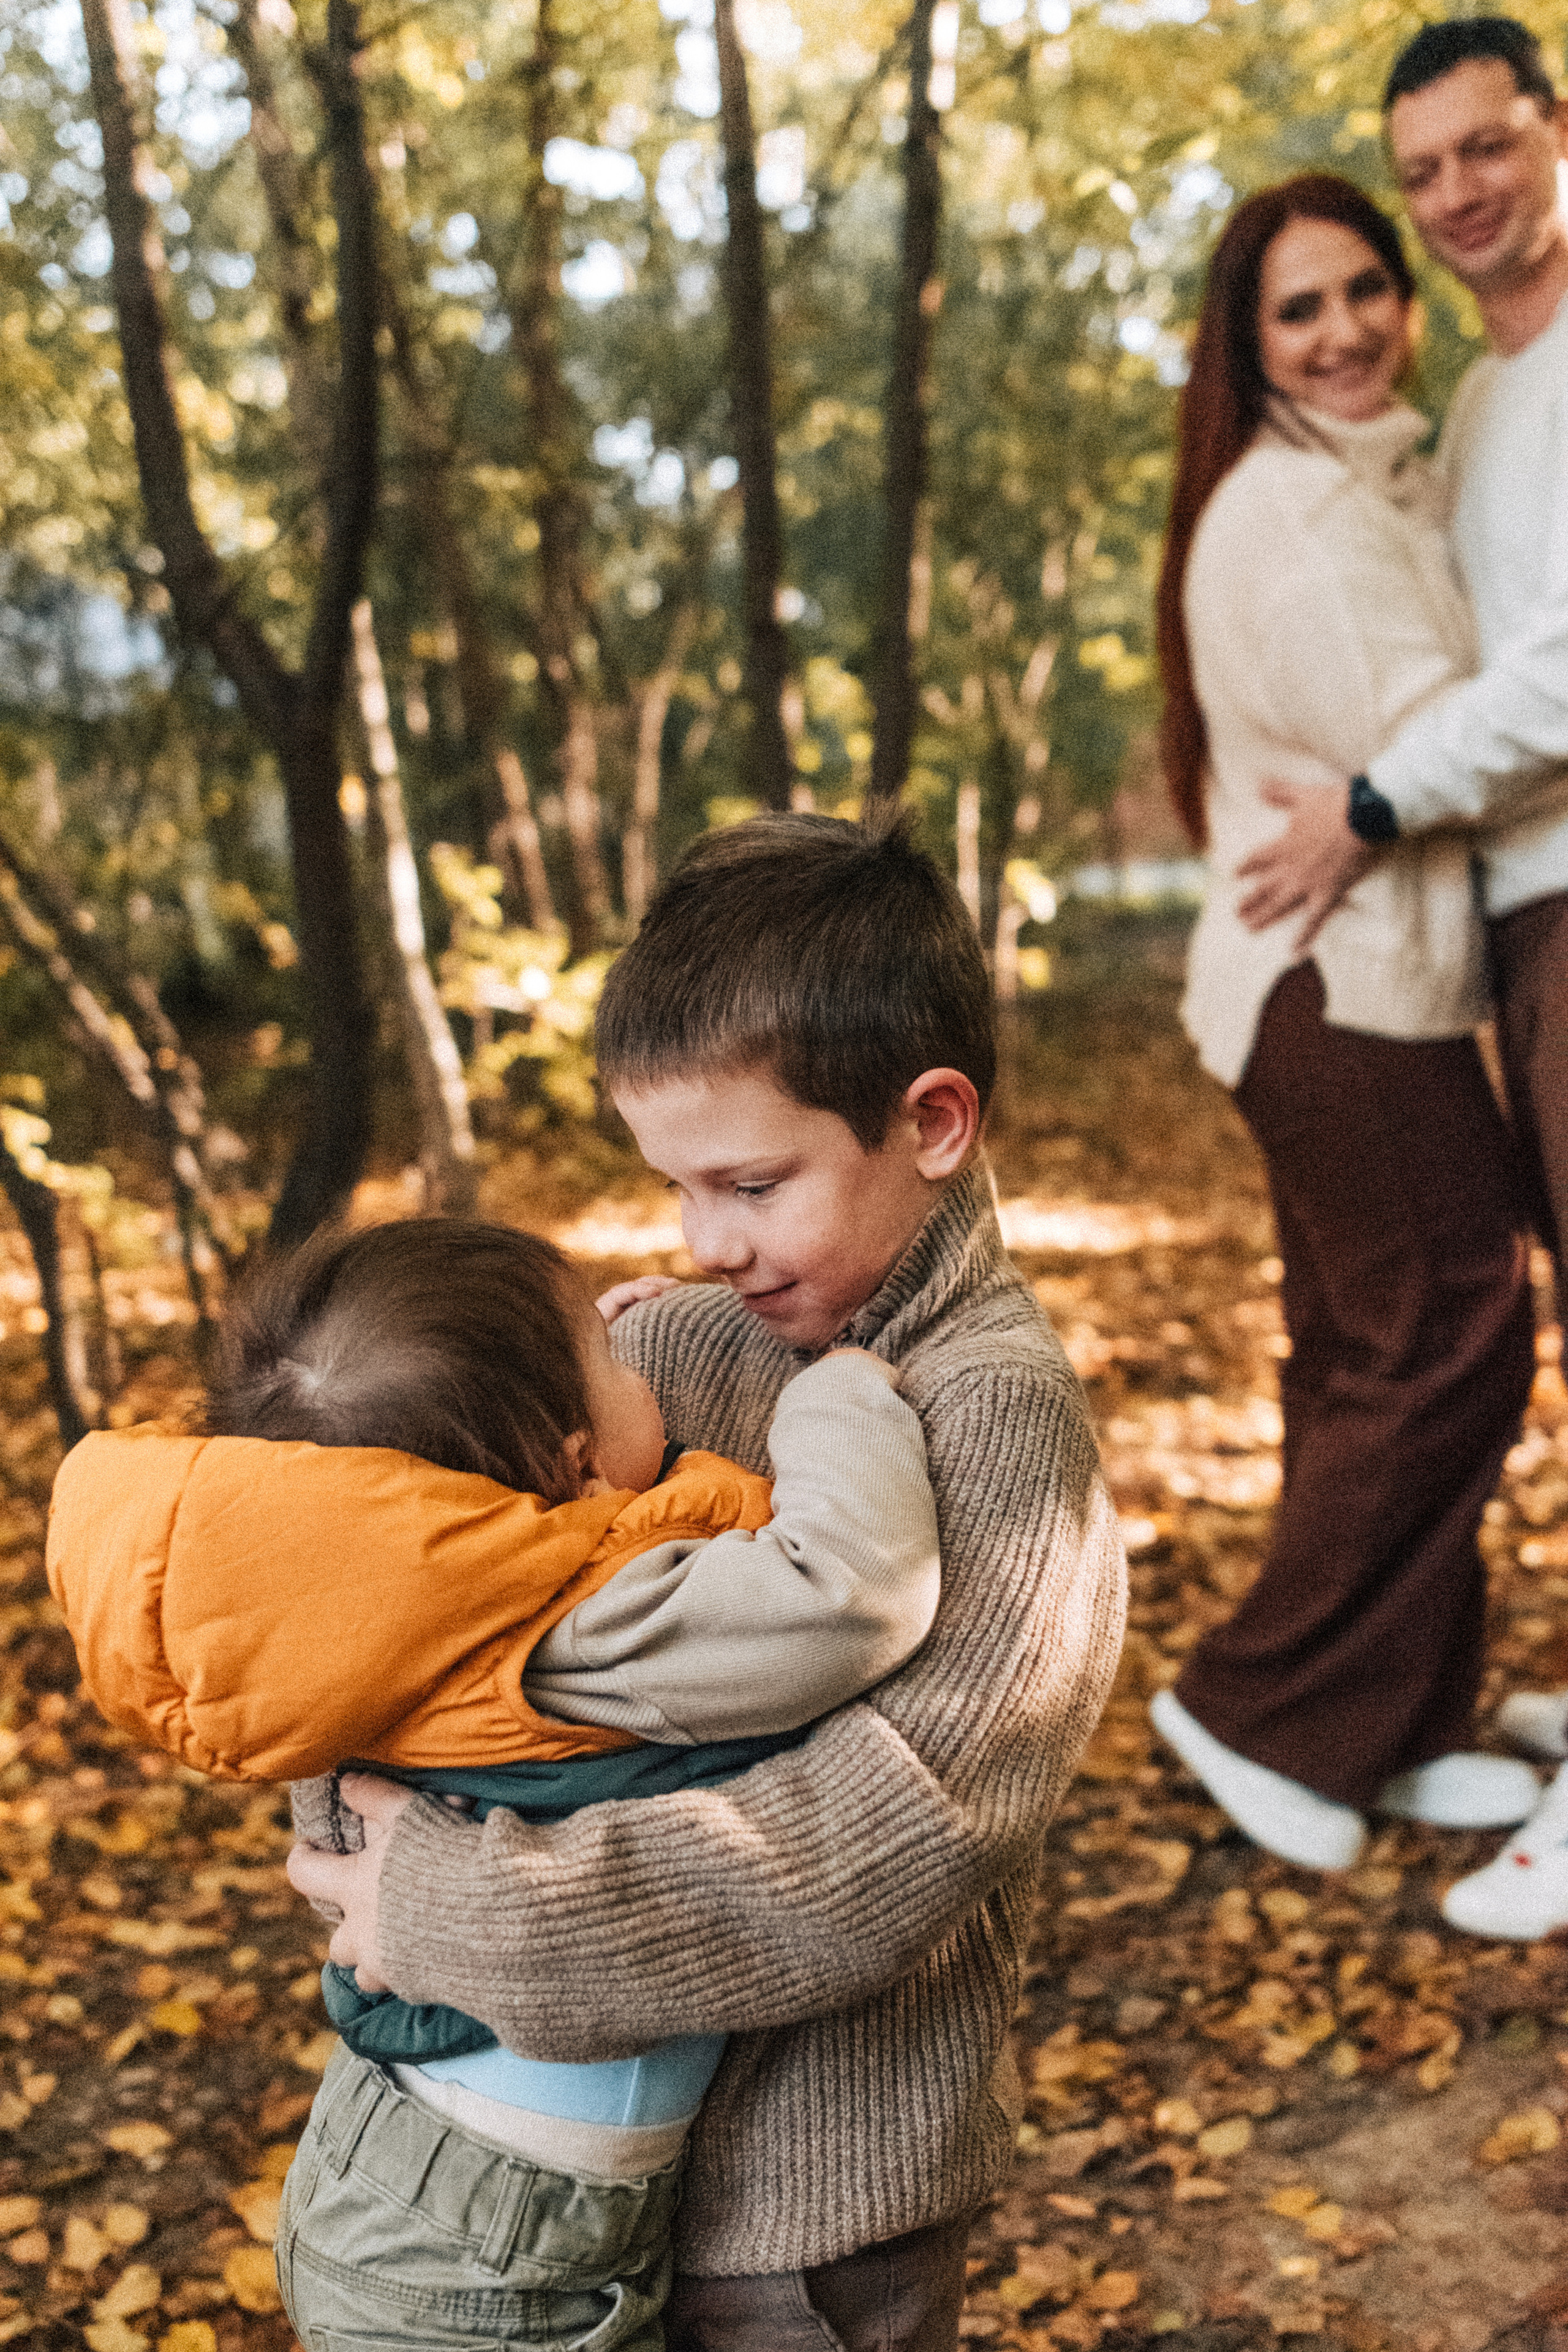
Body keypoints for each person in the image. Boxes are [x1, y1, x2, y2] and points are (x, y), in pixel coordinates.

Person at [285, 809, 1128, 2352]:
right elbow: (445, 1605)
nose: (705, 1242)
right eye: (674, 1187)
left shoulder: (1002, 1427)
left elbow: (884, 1838)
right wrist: (359, 1824)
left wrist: (470, 1913)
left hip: (802, 2230)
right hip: (521, 2178)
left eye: (748, 1184)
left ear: (932, 1122)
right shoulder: (667, 1347)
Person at [47, 1215, 948, 2352]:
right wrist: (841, 1400)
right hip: (496, 2241)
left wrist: (592, 1390)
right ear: (573, 1461)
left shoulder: (381, 1611)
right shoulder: (576, 1626)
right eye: (616, 1366)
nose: (642, 1361)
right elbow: (845, 1595)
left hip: (408, 2169)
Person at [1147, 172, 1539, 1874]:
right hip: (1334, 983)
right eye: (1300, 309)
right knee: (1451, 1326)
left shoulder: (1376, 478)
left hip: (1355, 971)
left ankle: (1393, 1728)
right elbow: (1447, 732)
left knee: (1361, 1346)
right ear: (1251, 344)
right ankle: (1258, 1707)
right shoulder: (1292, 514)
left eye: (1365, 290)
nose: (1347, 329)